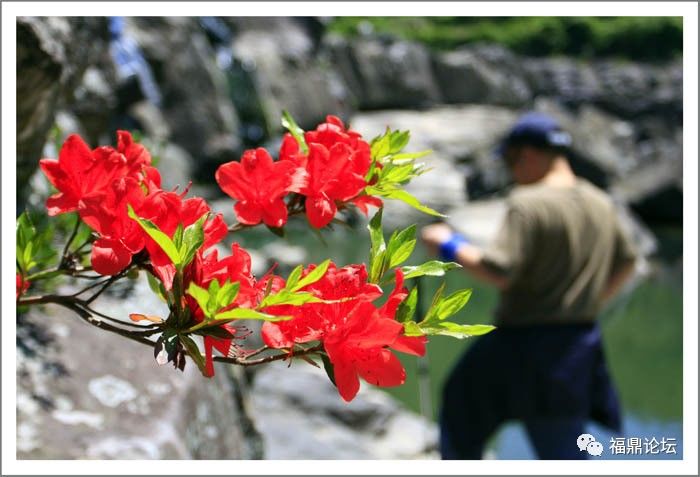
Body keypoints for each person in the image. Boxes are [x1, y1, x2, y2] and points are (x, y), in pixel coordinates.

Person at [421, 112, 638, 460]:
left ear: (530, 155)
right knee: (563, 442)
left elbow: (499, 270)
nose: (510, 171)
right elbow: (628, 261)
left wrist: (446, 244)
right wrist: (592, 302)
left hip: (522, 343)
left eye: (510, 160)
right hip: (578, 343)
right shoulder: (600, 201)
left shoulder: (528, 203)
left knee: (461, 411)